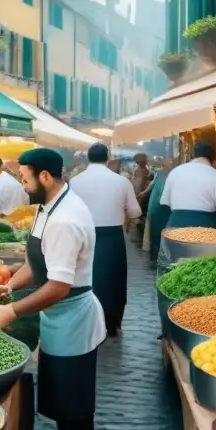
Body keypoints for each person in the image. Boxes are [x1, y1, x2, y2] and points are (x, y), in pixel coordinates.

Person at [0, 148, 105, 430]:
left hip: (74, 319)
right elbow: (36, 264)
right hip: (58, 320)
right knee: (65, 399)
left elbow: (57, 286)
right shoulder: (45, 209)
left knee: (74, 404)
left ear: (46, 178)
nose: (22, 186)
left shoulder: (66, 219)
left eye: (24, 178)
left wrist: (13, 312)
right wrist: (8, 286)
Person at [70, 144, 141, 336]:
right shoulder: (121, 181)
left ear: (88, 159)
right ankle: (112, 323)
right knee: (113, 280)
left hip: (83, 234)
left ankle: (86, 320)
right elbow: (135, 212)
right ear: (107, 158)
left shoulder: (75, 182)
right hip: (112, 236)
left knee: (84, 276)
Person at [159, 142, 216, 233]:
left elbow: (164, 202)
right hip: (205, 231)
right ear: (213, 159)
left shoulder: (175, 172)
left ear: (193, 156)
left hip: (174, 228)